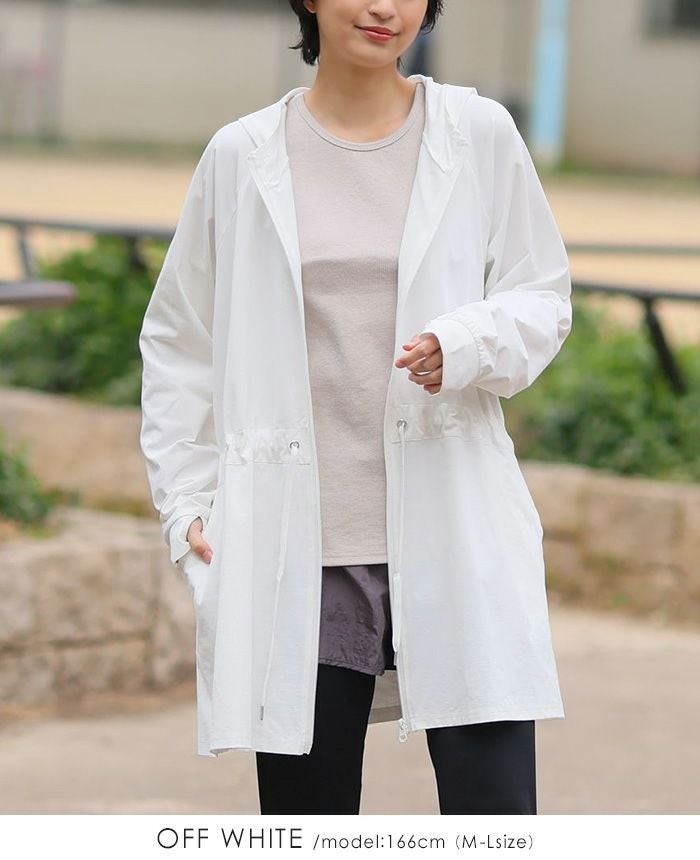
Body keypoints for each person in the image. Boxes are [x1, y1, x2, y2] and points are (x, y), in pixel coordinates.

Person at [139, 0, 571, 816]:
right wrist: (186, 498)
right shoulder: (242, 155)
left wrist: (466, 342)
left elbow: (542, 297)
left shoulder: (477, 134)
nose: (384, 8)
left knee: (496, 820)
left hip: (454, 527)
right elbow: (179, 340)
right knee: (309, 821)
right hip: (304, 551)